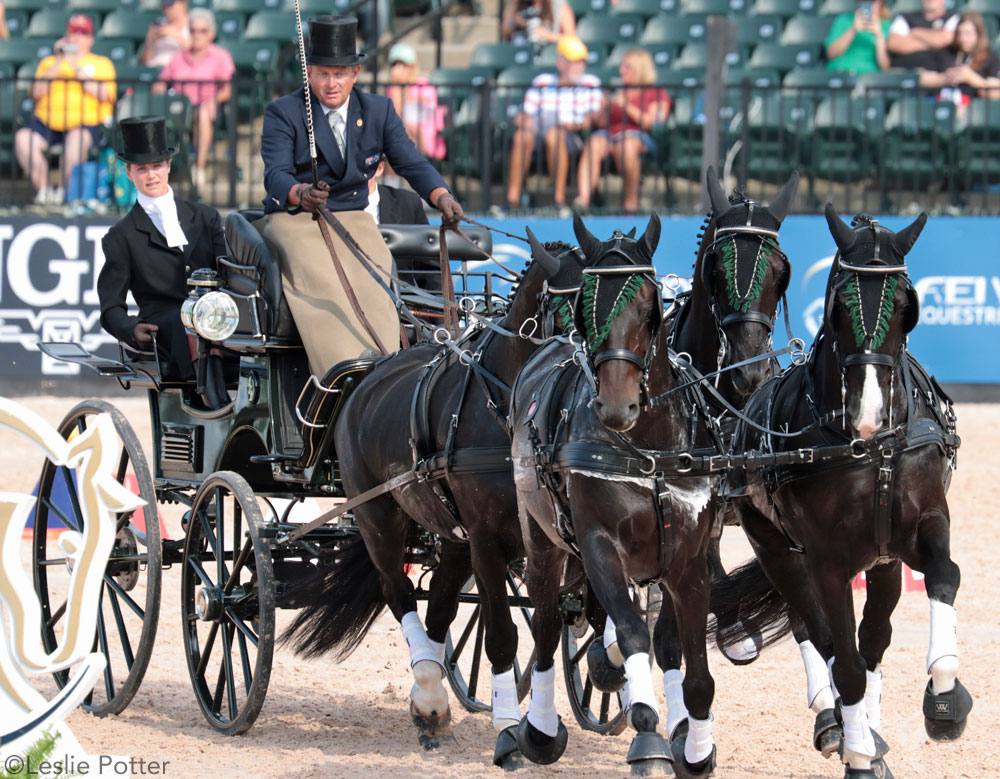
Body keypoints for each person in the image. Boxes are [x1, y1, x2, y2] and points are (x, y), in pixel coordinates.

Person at [258, 16, 463, 377]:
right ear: (309, 73)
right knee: (323, 286)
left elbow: (410, 161)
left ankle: (383, 371)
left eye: (340, 74)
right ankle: (338, 376)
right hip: (296, 219)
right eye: (322, 73)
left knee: (377, 284)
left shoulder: (378, 111)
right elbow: (275, 174)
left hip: (354, 218)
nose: (331, 83)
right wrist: (300, 193)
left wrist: (440, 195)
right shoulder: (284, 112)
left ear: (355, 73)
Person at [98, 115, 229, 409]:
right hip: (168, 324)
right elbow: (110, 307)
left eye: (157, 166)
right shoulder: (120, 236)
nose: (151, 175)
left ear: (168, 166)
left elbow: (227, 269)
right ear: (129, 172)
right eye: (142, 169)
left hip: (215, 315)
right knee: (189, 328)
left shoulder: (205, 216)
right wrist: (132, 329)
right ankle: (216, 405)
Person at [14, 15, 116, 205]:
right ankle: (44, 191)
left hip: (84, 124)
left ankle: (63, 191)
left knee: (75, 142)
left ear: (90, 39)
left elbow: (105, 94)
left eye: (81, 33)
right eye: (72, 33)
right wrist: (60, 60)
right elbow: (36, 92)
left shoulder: (101, 63)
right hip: (47, 123)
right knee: (22, 139)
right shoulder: (49, 63)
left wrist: (75, 65)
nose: (75, 38)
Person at [505, 35, 603, 213]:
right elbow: (525, 112)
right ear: (561, 63)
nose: (579, 66)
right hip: (538, 130)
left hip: (571, 135)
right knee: (521, 135)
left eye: (581, 62)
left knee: (555, 135)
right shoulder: (542, 80)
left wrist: (575, 124)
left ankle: (558, 201)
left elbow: (593, 118)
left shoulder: (591, 83)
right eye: (574, 62)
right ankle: (512, 200)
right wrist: (524, 121)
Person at [574, 48, 671, 214]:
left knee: (627, 145)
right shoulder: (617, 92)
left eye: (626, 67)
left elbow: (652, 123)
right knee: (594, 142)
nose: (621, 71)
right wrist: (603, 107)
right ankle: (583, 200)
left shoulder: (655, 93)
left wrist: (626, 106)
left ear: (639, 69)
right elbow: (600, 123)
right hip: (610, 135)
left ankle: (630, 203)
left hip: (638, 137)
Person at [154, 8, 235, 191]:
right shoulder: (178, 56)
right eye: (193, 30)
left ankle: (199, 167)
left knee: (203, 113)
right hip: (178, 107)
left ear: (211, 34)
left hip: (206, 107)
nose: (197, 35)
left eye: (203, 31)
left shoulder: (220, 56)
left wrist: (214, 99)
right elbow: (160, 83)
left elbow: (228, 89)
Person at [918, 12, 1000, 113]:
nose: (963, 38)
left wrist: (971, 79)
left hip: (974, 111)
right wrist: (944, 78)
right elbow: (922, 79)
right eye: (959, 33)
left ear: (978, 34)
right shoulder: (946, 52)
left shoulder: (990, 57)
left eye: (968, 33)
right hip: (941, 105)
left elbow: (995, 93)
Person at [385, 42, 446, 161]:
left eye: (403, 65)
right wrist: (396, 88)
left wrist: (398, 89)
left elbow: (416, 120)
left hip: (424, 140)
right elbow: (395, 120)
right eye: (394, 65)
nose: (398, 69)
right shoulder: (391, 88)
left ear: (412, 67)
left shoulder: (424, 86)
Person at [888, 0, 959, 71]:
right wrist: (934, 43)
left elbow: (946, 38)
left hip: (940, 74)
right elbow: (894, 43)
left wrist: (915, 32)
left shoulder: (953, 17)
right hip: (904, 73)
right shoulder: (905, 18)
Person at [824, 0, 891, 74]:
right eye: (863, 0)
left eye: (872, 1)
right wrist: (853, 30)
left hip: (869, 76)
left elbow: (884, 67)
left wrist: (879, 36)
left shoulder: (886, 26)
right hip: (840, 71)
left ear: (880, 2)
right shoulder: (843, 19)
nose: (867, 3)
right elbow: (831, 54)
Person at [502, 0, 576, 49]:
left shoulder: (558, 4)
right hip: (519, 52)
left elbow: (572, 39)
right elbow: (504, 31)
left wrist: (547, 35)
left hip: (547, 54)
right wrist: (514, 21)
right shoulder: (519, 3)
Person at [140, 0, 191, 69]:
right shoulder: (158, 24)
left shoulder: (194, 25)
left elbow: (197, 56)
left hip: (179, 71)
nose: (166, 9)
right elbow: (144, 61)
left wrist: (177, 36)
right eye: (164, 5)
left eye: (170, 5)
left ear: (182, 4)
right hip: (156, 68)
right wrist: (150, 42)